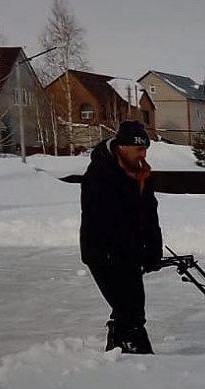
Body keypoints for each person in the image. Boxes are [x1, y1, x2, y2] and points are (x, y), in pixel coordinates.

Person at [80, 120, 163, 354]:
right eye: (139, 149)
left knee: (133, 306)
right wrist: (134, 250)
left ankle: (120, 348)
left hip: (129, 252)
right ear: (122, 147)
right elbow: (104, 219)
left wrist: (154, 249)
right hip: (103, 252)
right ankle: (130, 349)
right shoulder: (100, 173)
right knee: (129, 307)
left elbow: (149, 215)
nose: (143, 154)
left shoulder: (141, 174)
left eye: (145, 149)